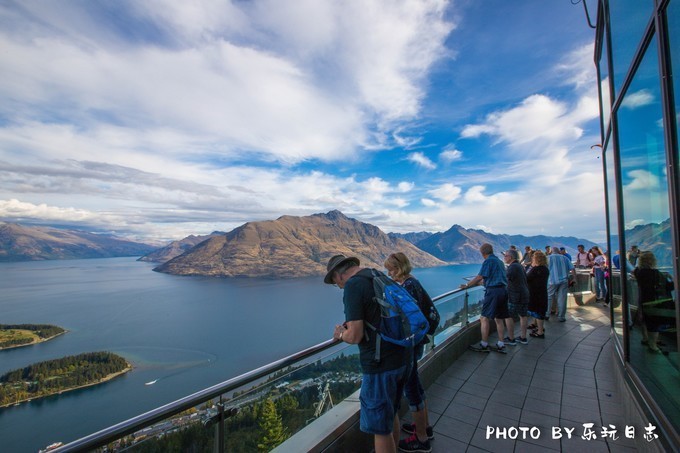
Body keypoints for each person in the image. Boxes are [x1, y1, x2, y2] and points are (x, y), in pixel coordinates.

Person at [325, 254, 409, 453]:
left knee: (380, 429)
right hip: (402, 356)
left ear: (338, 275)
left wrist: (341, 333)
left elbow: (354, 336)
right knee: (391, 415)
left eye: (335, 282)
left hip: (380, 365)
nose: (338, 286)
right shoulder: (376, 275)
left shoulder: (353, 286)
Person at [384, 253, 433, 452]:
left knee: (412, 389)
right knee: (416, 386)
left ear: (401, 268)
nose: (389, 273)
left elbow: (405, 318)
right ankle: (425, 428)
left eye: (392, 269)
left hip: (411, 344)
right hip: (419, 341)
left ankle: (421, 439)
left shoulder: (408, 286)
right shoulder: (413, 282)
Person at [461, 243, 509, 353]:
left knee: (484, 318)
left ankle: (484, 344)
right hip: (503, 291)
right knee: (499, 318)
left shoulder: (488, 261)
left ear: (482, 253)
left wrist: (468, 285)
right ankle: (501, 344)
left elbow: (479, 276)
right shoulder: (499, 261)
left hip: (493, 292)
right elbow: (493, 277)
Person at [632, 251, 675, 353]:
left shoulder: (639, 272)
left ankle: (646, 338)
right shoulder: (655, 274)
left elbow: (635, 270)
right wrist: (671, 278)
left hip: (643, 299)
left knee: (645, 321)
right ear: (652, 261)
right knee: (654, 324)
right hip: (655, 302)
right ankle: (653, 345)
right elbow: (669, 287)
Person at [503, 249, 530, 344]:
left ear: (510, 257)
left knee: (508, 316)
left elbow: (504, 278)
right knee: (523, 315)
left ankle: (511, 338)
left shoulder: (513, 267)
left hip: (515, 295)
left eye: (505, 256)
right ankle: (523, 338)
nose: (504, 257)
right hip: (524, 294)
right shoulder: (520, 266)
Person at [546, 244, 576, 322]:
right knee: (562, 298)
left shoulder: (548, 258)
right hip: (564, 281)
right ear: (558, 251)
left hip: (552, 280)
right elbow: (572, 268)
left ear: (551, 252)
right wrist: (574, 278)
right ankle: (561, 316)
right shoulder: (565, 258)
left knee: (549, 297)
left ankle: (547, 314)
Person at [526, 250, 550, 338]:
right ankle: (539, 328)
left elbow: (527, 278)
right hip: (542, 292)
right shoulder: (545, 269)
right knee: (540, 311)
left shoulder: (535, 270)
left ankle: (540, 332)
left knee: (538, 312)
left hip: (535, 293)